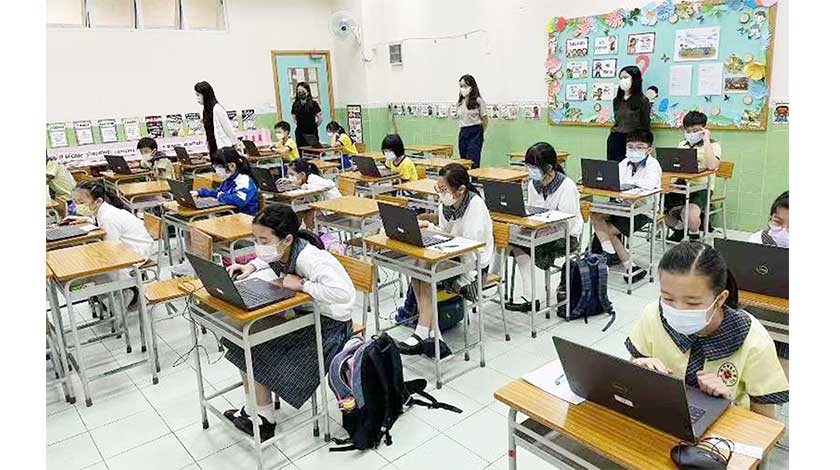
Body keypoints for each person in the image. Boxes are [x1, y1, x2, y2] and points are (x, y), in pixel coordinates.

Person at [223, 205, 354, 439]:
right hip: (305, 315)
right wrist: (250, 265)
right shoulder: (283, 249)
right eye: (255, 239)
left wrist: (302, 285)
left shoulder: (311, 258)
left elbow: (343, 293)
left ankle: (264, 418)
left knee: (253, 345)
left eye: (263, 240)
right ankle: (254, 409)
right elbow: (269, 258)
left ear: (287, 239)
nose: (259, 245)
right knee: (239, 336)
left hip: (330, 326)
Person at [625, 242, 788, 418]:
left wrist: (728, 405)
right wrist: (638, 369)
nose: (678, 309)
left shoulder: (752, 339)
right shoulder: (654, 314)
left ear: (720, 299)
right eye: (668, 298)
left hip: (727, 426)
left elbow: (766, 422)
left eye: (692, 303)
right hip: (663, 414)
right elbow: (635, 365)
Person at [397, 164, 494, 357]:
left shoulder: (475, 205)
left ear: (461, 190)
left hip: (473, 269)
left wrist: (441, 247)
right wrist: (429, 228)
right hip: (453, 257)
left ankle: (425, 333)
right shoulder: (446, 205)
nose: (440, 194)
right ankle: (432, 336)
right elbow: (446, 234)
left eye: (444, 190)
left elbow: (470, 247)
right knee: (418, 270)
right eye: (438, 188)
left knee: (426, 270)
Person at [505, 142, 583, 312]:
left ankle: (532, 297)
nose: (530, 170)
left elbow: (568, 223)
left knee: (520, 246)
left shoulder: (566, 186)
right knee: (507, 239)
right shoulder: (534, 184)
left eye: (534, 167)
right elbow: (533, 211)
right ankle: (530, 296)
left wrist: (542, 228)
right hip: (540, 231)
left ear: (548, 167)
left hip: (565, 237)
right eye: (528, 166)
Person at [64, 181, 155, 306]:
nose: (78, 206)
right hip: (127, 246)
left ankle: (128, 289)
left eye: (81, 202)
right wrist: (87, 219)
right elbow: (100, 223)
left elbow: (111, 249)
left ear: (98, 201)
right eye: (75, 202)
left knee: (98, 266)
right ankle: (112, 293)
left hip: (135, 252)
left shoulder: (108, 218)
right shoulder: (104, 211)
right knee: (93, 263)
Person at [590, 129, 661, 282]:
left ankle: (627, 264)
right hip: (622, 205)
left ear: (649, 149)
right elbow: (614, 180)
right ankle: (610, 252)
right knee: (594, 212)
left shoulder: (653, 165)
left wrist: (628, 183)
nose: (634, 150)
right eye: (630, 147)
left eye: (639, 147)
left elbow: (650, 184)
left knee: (608, 230)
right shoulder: (624, 163)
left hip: (643, 210)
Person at [664, 111, 721, 241]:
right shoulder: (682, 144)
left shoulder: (713, 145)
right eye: (688, 131)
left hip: (702, 187)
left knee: (690, 215)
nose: (691, 134)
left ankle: (693, 233)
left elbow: (712, 166)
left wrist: (706, 140)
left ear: (705, 129)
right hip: (682, 184)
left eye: (695, 130)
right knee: (656, 206)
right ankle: (679, 228)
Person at [192, 147, 259, 215]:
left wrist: (219, 195)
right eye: (215, 167)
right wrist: (200, 193)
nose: (217, 170)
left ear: (232, 166)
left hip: (246, 217)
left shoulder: (244, 180)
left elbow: (239, 200)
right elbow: (219, 192)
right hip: (232, 214)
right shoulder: (229, 179)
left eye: (220, 166)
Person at [608, 66, 651, 162]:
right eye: (621, 78)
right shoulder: (617, 100)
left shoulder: (643, 101)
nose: (622, 80)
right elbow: (617, 120)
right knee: (613, 167)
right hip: (616, 138)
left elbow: (645, 124)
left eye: (625, 77)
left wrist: (640, 143)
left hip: (634, 141)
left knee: (632, 167)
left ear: (634, 79)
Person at [287, 159, 341, 229]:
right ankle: (296, 233)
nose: (289, 178)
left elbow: (330, 184)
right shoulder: (302, 182)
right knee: (296, 214)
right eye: (288, 175)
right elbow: (303, 202)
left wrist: (307, 187)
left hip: (332, 206)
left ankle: (316, 234)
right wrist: (299, 198)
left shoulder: (313, 178)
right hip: (319, 205)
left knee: (310, 216)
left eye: (292, 174)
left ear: (302, 174)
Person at [194, 81, 239, 156]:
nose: (197, 98)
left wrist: (235, 144)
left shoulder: (218, 109)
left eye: (198, 95)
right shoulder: (205, 111)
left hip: (224, 149)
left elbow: (228, 128)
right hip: (213, 148)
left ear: (205, 94)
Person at [456, 74, 488, 168]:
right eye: (461, 86)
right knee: (463, 160)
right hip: (463, 131)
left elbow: (485, 119)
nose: (463, 88)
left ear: (471, 87)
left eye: (465, 86)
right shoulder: (460, 102)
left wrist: (481, 133)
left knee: (473, 159)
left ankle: (474, 176)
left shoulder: (478, 101)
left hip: (475, 131)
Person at [291, 82, 322, 147]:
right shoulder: (295, 104)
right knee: (301, 149)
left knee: (313, 149)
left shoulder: (313, 103)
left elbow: (319, 118)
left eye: (302, 91)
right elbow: (294, 117)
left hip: (312, 132)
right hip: (300, 133)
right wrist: (300, 125)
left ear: (307, 92)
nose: (300, 92)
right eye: (298, 91)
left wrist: (314, 126)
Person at [46, 152, 77, 216]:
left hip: (67, 197)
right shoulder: (53, 161)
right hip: (69, 194)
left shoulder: (52, 163)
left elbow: (48, 178)